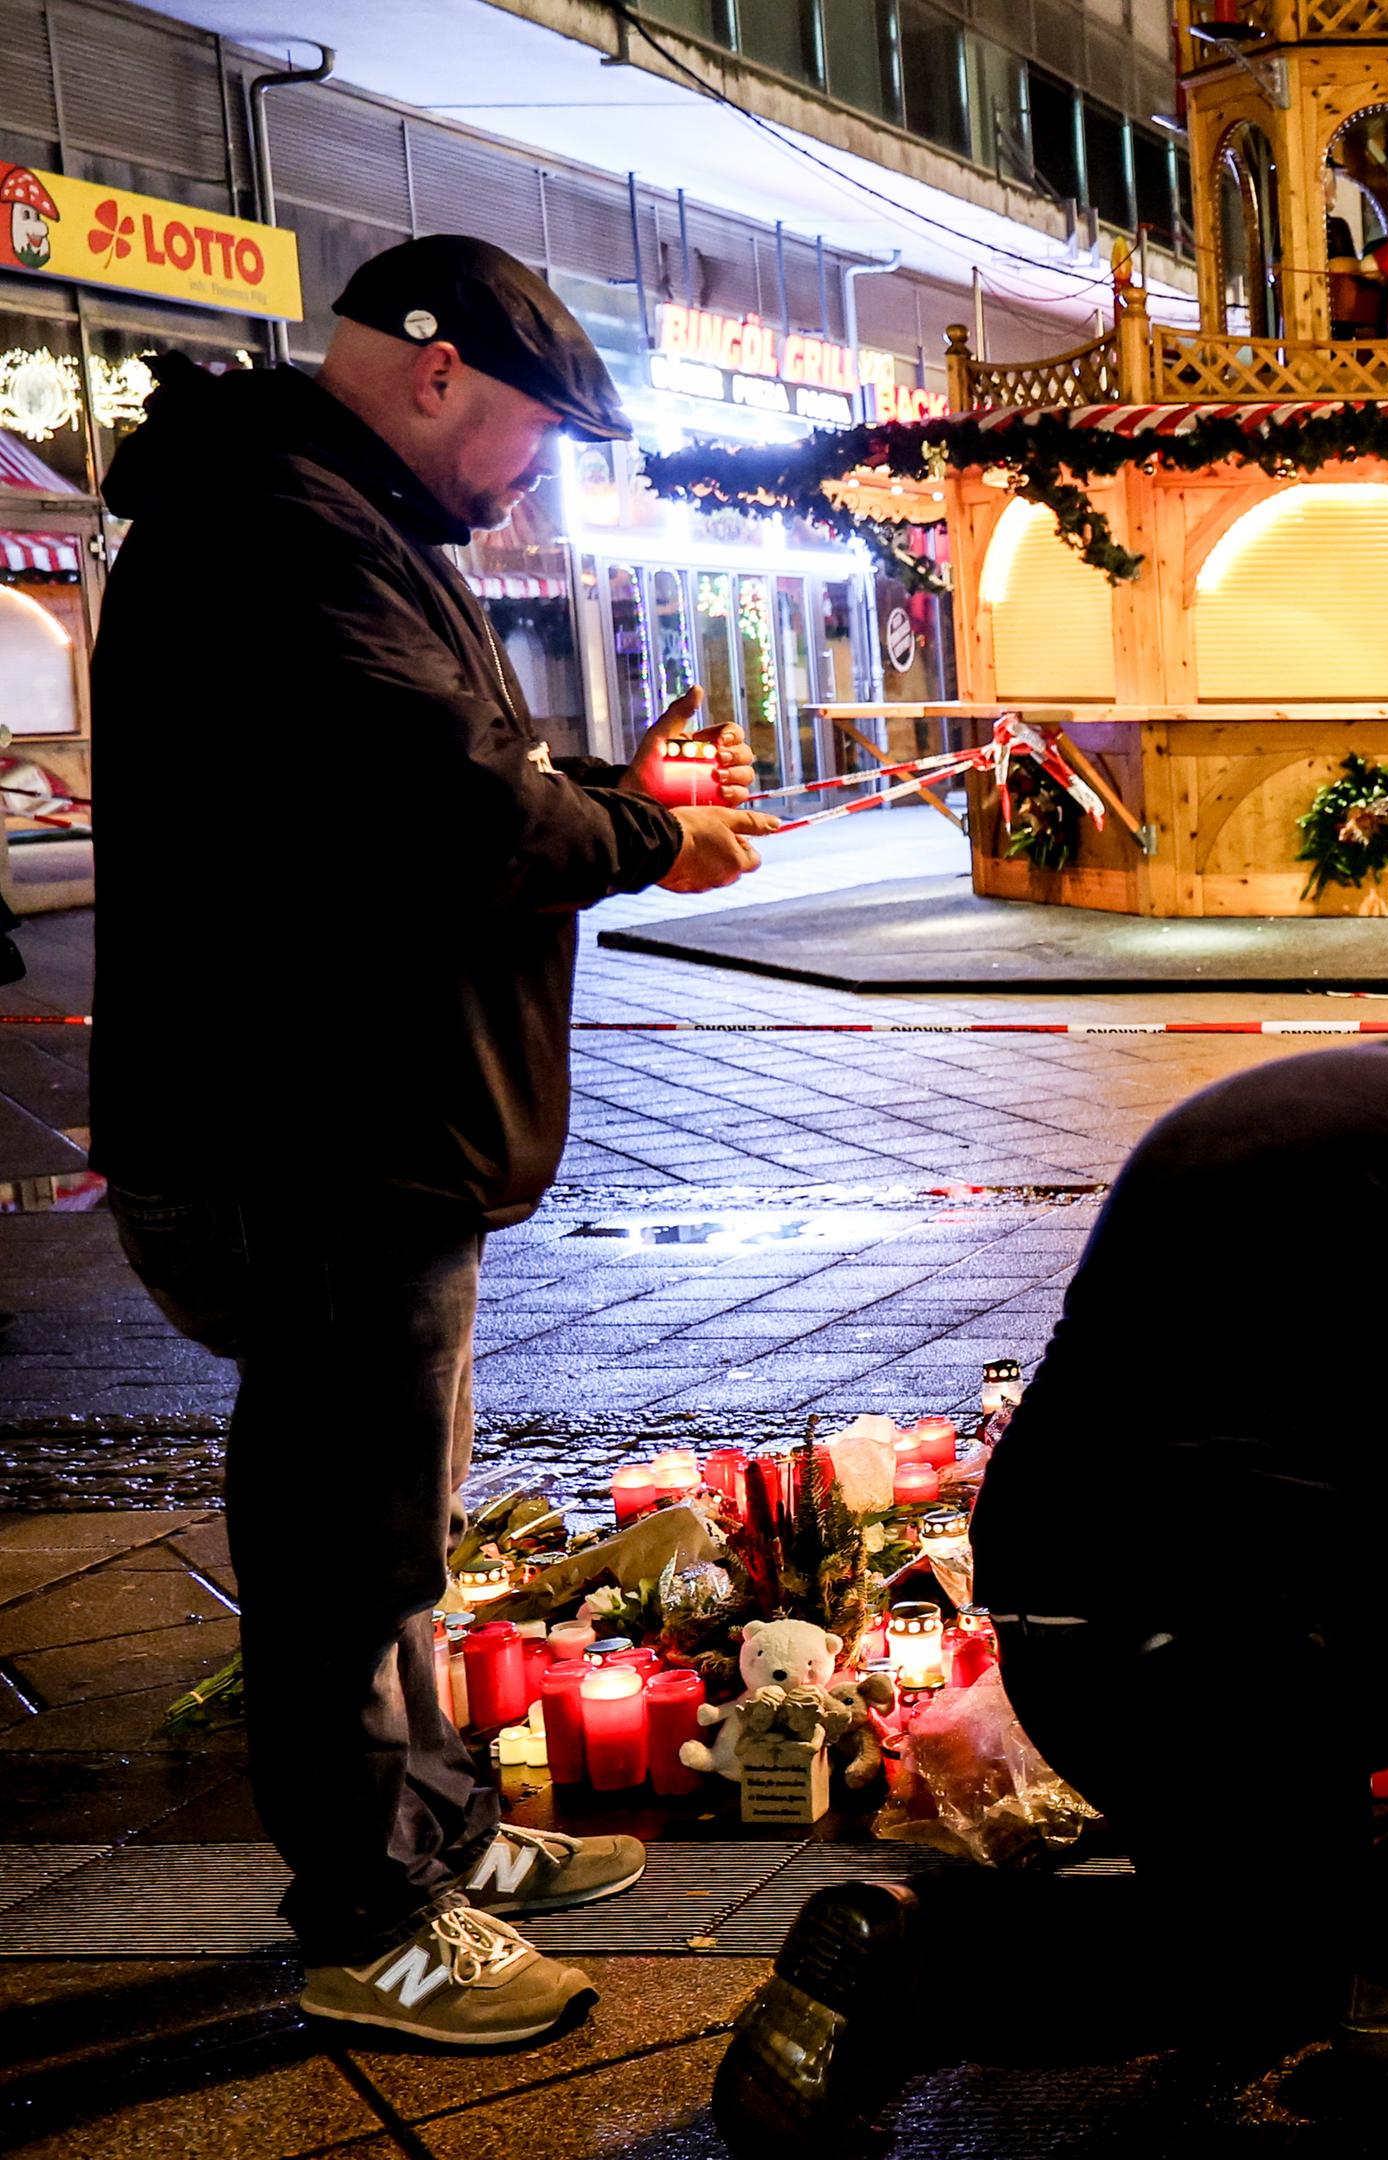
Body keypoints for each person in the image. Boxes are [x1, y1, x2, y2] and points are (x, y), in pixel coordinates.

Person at [91, 237, 779, 2047]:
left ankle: (442, 1835)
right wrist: (643, 838)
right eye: (534, 437)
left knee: (388, 1527)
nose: (532, 476)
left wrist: (615, 797)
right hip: (309, 1129)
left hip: (357, 1118)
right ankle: (372, 1920)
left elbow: (442, 775)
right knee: (342, 1540)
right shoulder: (280, 532)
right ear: (433, 372)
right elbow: (441, 803)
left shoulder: (336, 520)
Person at [713, 1004, 1388, 2152]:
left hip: (1073, 1640)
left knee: (1269, 1957)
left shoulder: (1238, 1118)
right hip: (1256, 1632)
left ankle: (904, 1961)